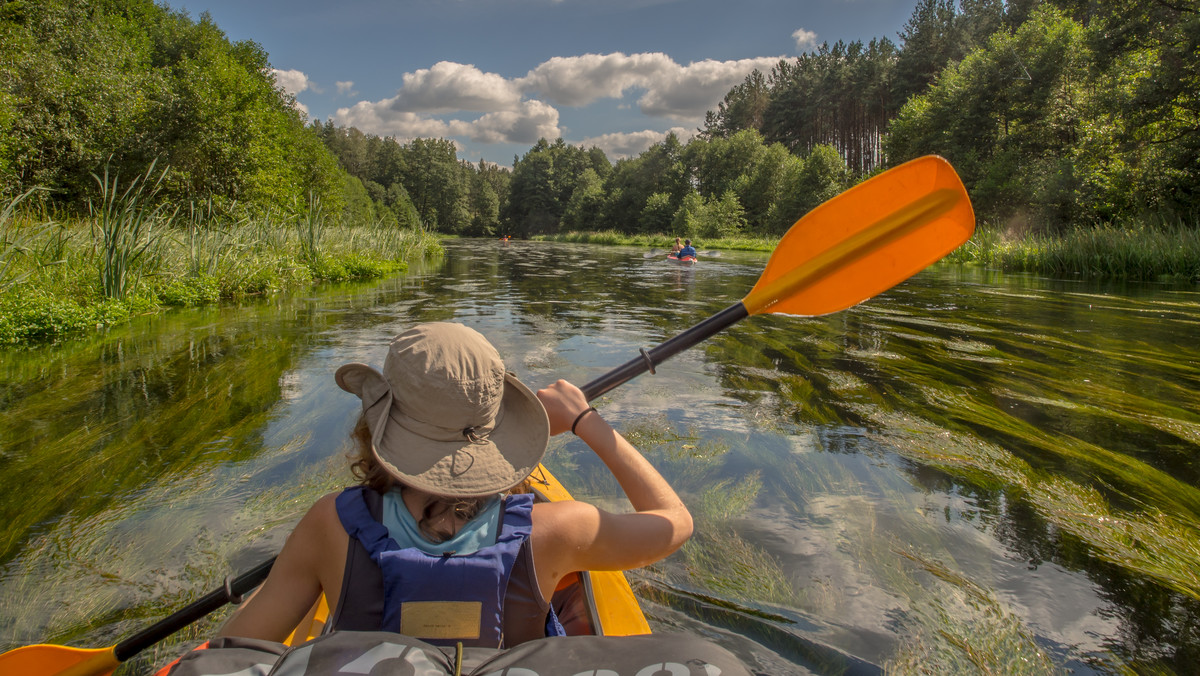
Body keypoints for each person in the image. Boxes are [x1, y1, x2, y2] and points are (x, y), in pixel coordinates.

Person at [217, 322, 692, 648]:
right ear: (497, 429)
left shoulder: (330, 525)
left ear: (379, 424)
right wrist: (585, 419)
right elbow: (675, 522)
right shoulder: (561, 530)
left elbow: (232, 649)